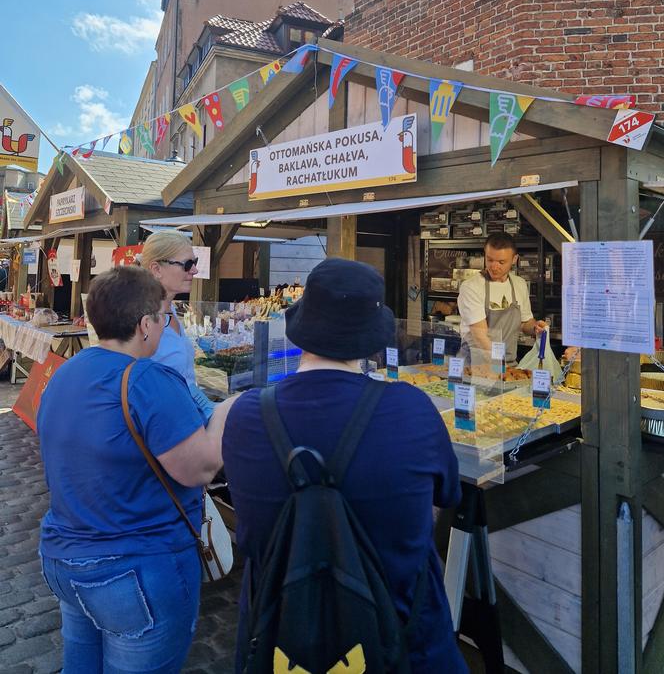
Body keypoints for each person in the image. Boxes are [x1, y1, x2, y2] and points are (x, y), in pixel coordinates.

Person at [222, 257, 468, 673]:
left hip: (280, 644)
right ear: (371, 340)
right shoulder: (412, 410)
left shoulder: (246, 416)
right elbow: (448, 496)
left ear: (302, 330)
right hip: (406, 645)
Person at [37, 266, 231, 673]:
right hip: (133, 567)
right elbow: (199, 469)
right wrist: (227, 414)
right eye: (163, 317)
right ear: (145, 324)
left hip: (64, 558)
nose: (165, 326)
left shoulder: (64, 372)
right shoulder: (148, 379)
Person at [139, 231, 216, 421]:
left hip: (186, 416)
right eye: (187, 264)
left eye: (195, 262)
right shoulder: (140, 321)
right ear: (156, 269)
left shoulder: (170, 309)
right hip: (165, 426)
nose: (195, 271)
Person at [457, 231, 547, 367]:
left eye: (501, 262)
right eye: (490, 260)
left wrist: (535, 327)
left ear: (514, 259)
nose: (494, 266)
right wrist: (499, 365)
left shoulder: (519, 284)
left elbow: (524, 322)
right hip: (475, 366)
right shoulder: (471, 287)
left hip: (507, 364)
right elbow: (480, 336)